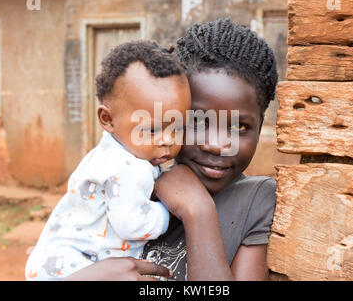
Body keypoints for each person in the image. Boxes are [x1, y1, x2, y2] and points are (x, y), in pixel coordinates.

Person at [65, 18, 278, 281]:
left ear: (260, 127)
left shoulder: (255, 200)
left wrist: (198, 212)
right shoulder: (132, 186)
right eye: (195, 121)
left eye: (239, 126)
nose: (216, 144)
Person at [25, 41, 191, 280]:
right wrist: (170, 210)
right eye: (152, 129)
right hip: (74, 268)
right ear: (107, 119)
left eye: (177, 127)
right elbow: (133, 224)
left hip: (53, 260)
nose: (167, 140)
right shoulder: (130, 167)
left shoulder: (107, 154)